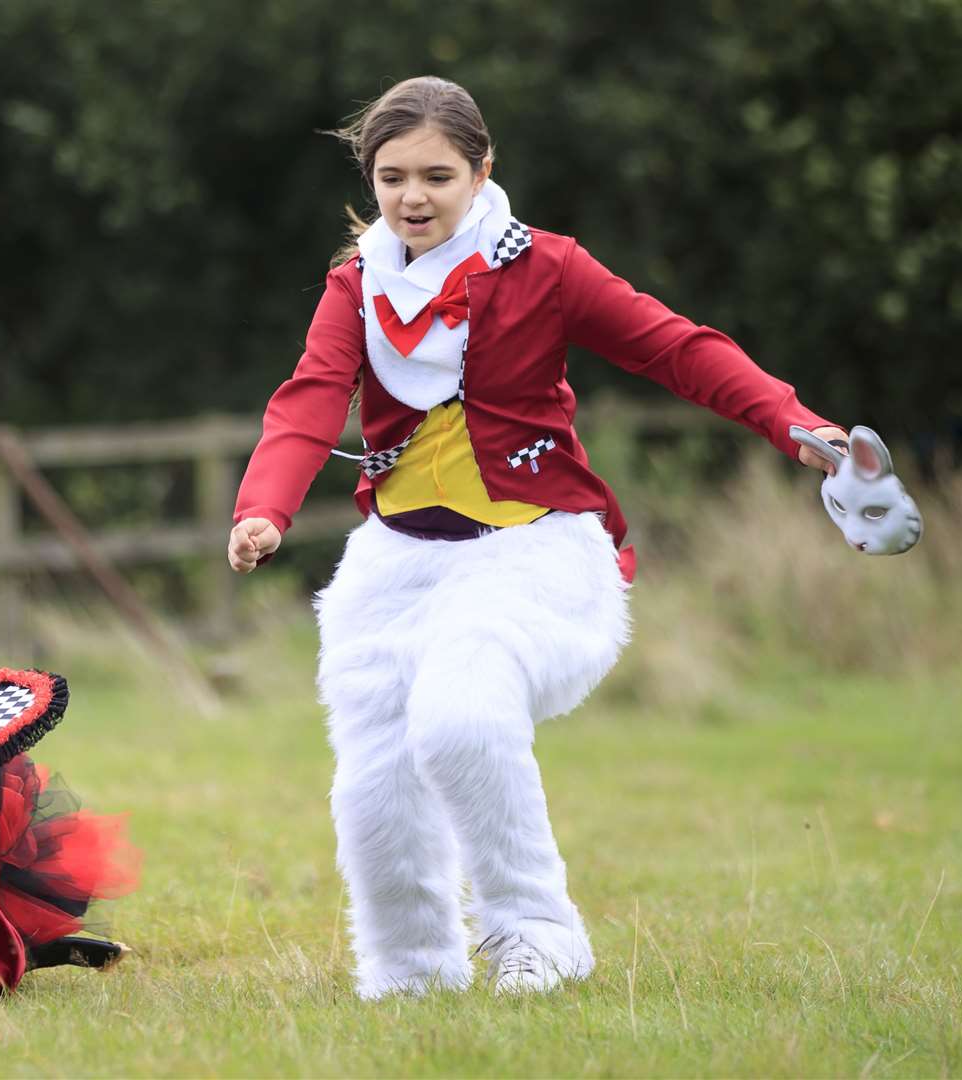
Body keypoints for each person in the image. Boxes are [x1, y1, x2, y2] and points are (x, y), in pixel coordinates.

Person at [226, 75, 846, 1000]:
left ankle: (540, 937)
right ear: (371, 180)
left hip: (535, 548)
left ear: (482, 172)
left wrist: (795, 422)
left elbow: (675, 347)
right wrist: (264, 506)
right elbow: (314, 390)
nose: (413, 197)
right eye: (392, 177)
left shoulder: (545, 266)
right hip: (397, 560)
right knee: (377, 783)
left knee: (464, 714)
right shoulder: (356, 282)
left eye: (437, 174)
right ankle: (409, 974)